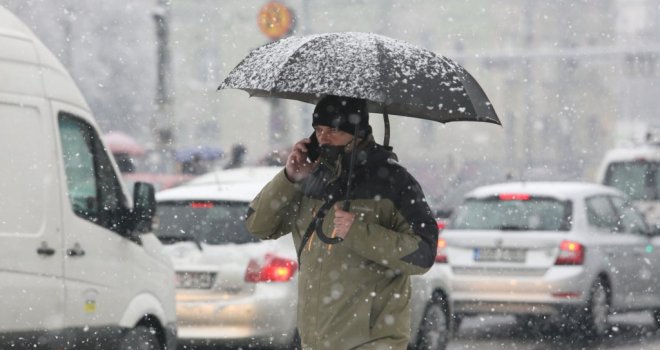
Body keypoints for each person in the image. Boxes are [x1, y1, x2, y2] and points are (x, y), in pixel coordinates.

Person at [245, 95, 438, 349]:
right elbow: (260, 226)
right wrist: (289, 178)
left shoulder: (394, 182)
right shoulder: (311, 176)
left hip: (372, 342)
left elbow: (423, 253)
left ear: (357, 131)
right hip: (315, 341)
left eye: (333, 130)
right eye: (318, 130)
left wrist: (358, 232)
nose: (323, 138)